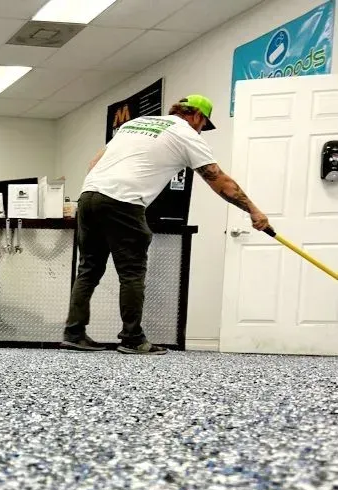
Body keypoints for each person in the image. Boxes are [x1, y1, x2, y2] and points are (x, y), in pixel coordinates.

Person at [62, 95, 270, 355]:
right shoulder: (187, 135)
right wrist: (253, 210)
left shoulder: (135, 124)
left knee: (89, 268)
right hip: (124, 202)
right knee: (132, 272)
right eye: (203, 124)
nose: (201, 129)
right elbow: (220, 181)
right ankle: (132, 339)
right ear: (196, 116)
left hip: (89, 196)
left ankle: (74, 332)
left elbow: (94, 163)